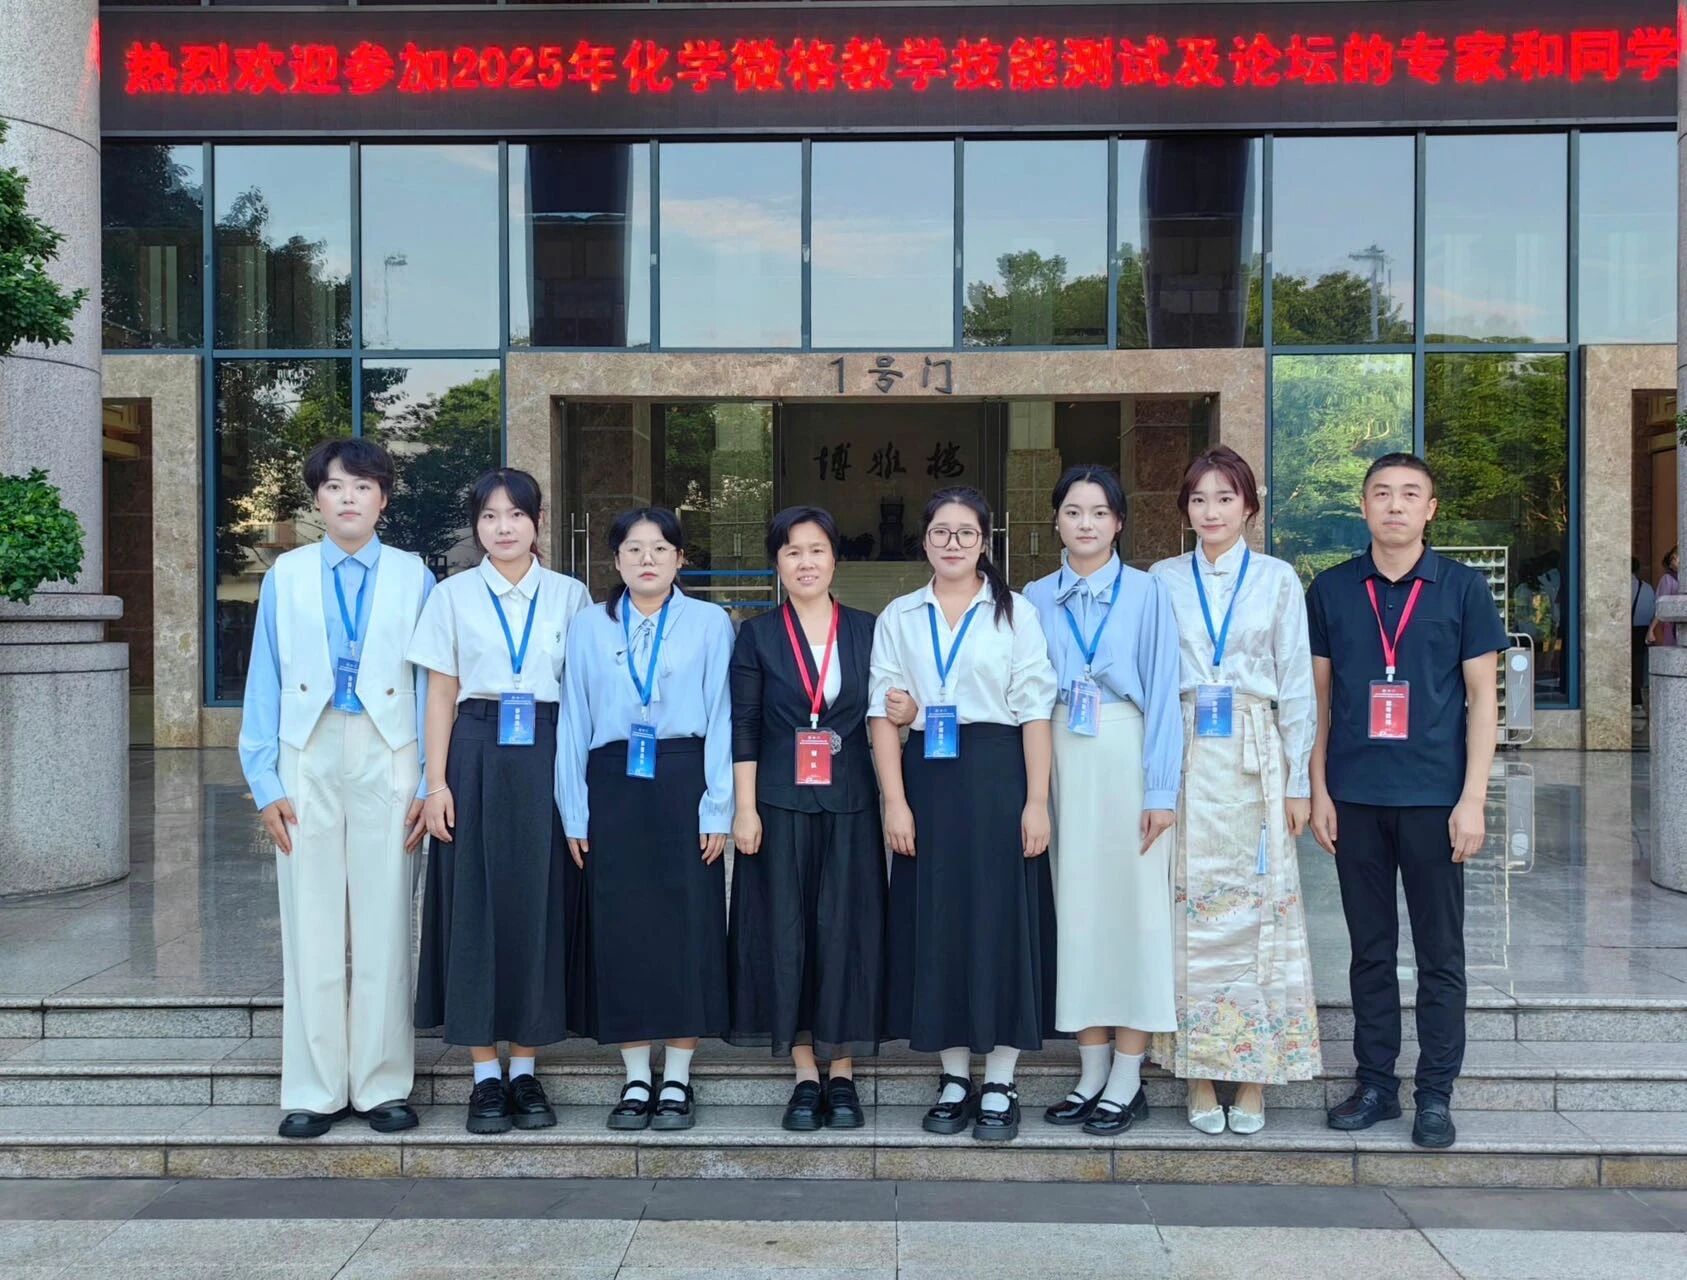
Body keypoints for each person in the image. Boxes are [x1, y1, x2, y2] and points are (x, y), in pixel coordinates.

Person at [1308, 452, 1506, 1151]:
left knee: (1439, 953)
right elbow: (1319, 703)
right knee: (1369, 950)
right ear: (1363, 506)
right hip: (1355, 798)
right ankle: (1374, 1085)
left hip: (1433, 799)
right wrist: (1318, 788)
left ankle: (1435, 1094)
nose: (1394, 505)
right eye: (1382, 493)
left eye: (1409, 494)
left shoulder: (1462, 588)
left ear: (1430, 509)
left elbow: (1483, 701)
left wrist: (1473, 798)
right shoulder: (1331, 589)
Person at [238, 438, 432, 1140]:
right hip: (306, 750)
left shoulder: (414, 575)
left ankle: (382, 1084)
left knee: (386, 920)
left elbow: (429, 681)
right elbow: (263, 677)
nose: (348, 497)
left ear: (384, 499)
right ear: (316, 498)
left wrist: (429, 778)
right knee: (310, 920)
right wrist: (264, 780)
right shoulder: (285, 575)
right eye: (334, 486)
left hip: (390, 751)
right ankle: (314, 1089)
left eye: (363, 486)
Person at [868, 486, 1059, 1143]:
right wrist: (895, 801)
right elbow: (882, 713)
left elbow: (1035, 711)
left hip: (999, 775)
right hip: (927, 780)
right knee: (938, 921)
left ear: (984, 540)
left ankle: (1000, 1078)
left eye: (966, 533)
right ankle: (953, 1076)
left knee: (1002, 921)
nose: (952, 543)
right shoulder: (899, 615)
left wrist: (1037, 801)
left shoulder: (1015, 613)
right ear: (924, 540)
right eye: (941, 532)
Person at [409, 468, 590, 1134]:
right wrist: (435, 783)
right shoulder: (451, 596)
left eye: (516, 514)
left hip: (548, 747)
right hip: (476, 750)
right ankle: (485, 1074)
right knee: (475, 903)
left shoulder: (570, 595)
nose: (503, 527)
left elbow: (584, 695)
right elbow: (439, 694)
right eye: (489, 516)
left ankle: (526, 1069)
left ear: (537, 522)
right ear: (476, 526)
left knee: (539, 903)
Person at [1149, 446, 1321, 1135]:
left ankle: (1252, 1076)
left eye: (1224, 498)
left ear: (1249, 505)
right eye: (1198, 499)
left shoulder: (1277, 579)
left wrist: (1299, 780)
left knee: (1259, 912)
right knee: (1187, 913)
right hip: (1187, 752)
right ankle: (1196, 1072)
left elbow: (1298, 685)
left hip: (1255, 755)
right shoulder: (1161, 579)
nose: (1211, 511)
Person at [558, 507, 735, 1133]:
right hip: (612, 783)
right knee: (621, 925)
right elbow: (573, 718)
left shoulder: (711, 623)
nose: (647, 559)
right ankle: (636, 1075)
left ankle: (678, 1076)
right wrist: (574, 810)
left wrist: (719, 804)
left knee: (689, 923)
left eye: (660, 548)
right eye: (633, 549)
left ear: (680, 558)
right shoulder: (588, 625)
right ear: (616, 561)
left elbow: (722, 715)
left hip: (685, 779)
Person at [1018, 466, 1182, 1137]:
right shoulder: (1034, 597)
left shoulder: (1147, 592)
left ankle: (1127, 1076)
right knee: (1076, 911)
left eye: (1098, 513)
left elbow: (1165, 690)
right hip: (1061, 752)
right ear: (1056, 519)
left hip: (1126, 747)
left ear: (1118, 523)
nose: (1085, 524)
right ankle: (1089, 1070)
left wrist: (1161, 789)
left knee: (1136, 914)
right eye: (1073, 511)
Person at [727, 506, 889, 1132]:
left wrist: (905, 711)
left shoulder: (869, 630)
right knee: (785, 932)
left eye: (817, 550)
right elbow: (744, 725)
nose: (805, 562)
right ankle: (802, 1072)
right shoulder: (757, 635)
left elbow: (888, 709)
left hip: (850, 801)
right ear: (777, 562)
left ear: (835, 559)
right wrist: (744, 808)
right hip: (776, 803)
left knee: (846, 931)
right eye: (792, 551)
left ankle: (841, 1072)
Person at [1633, 559, 1658, 709]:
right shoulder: (1647, 588)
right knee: (1638, 664)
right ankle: (1637, 699)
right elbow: (1652, 610)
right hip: (1641, 629)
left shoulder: (1620, 586)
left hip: (1624, 628)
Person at [1648, 547, 1680, 649]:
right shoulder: (1667, 579)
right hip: (1674, 625)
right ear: (1670, 564)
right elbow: (1662, 605)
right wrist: (1651, 629)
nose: (1677, 560)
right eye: (1674, 558)